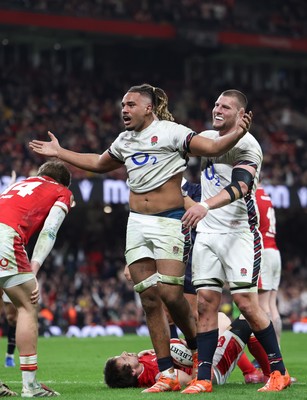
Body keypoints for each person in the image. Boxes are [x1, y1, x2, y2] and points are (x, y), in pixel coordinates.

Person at [29, 83, 252, 393]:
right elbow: (98, 163)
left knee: (171, 295)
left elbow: (213, 148)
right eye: (123, 104)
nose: (124, 109)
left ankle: (196, 348)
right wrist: (59, 152)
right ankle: (166, 373)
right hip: (137, 223)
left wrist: (238, 132)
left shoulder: (173, 132)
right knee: (149, 300)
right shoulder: (124, 140)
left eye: (131, 104)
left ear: (148, 108)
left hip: (168, 222)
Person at [181, 89, 290, 393]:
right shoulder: (206, 138)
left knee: (246, 303)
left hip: (239, 233)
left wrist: (204, 205)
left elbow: (240, 185)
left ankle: (278, 371)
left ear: (241, 115)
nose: (218, 109)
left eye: (226, 107)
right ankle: (203, 377)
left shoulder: (249, 145)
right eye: (216, 104)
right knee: (205, 304)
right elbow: (179, 149)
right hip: (207, 234)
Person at [0, 160, 74, 397]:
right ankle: (30, 386)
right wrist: (34, 269)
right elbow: (49, 231)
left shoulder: (19, 185)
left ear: (41, 174)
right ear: (63, 181)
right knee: (27, 305)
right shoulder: (61, 191)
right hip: (6, 237)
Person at [104, 312, 265, 388]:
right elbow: (190, 379)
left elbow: (169, 349)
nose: (125, 353)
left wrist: (183, 345)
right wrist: (193, 349)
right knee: (248, 317)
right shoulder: (158, 375)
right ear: (132, 372)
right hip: (212, 369)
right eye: (124, 358)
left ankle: (252, 373)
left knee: (220, 319)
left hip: (205, 359)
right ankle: (266, 373)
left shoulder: (142, 360)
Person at [256, 184, 282, 344]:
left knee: (262, 305)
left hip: (264, 252)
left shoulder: (253, 196)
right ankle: (277, 349)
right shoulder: (266, 196)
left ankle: (269, 352)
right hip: (274, 252)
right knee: (272, 304)